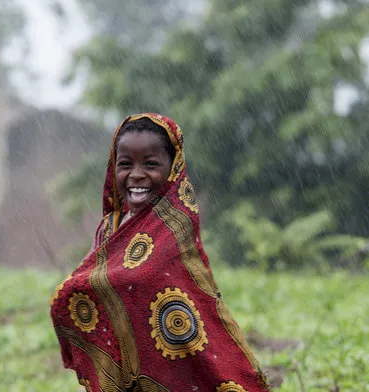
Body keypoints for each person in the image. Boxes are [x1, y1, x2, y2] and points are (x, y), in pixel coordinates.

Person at [50, 113, 270, 392]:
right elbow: (96, 283)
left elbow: (137, 278)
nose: (136, 174)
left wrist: (74, 288)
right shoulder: (110, 227)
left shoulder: (175, 224)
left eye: (151, 164)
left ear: (173, 169)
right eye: (125, 164)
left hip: (181, 359)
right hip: (129, 369)